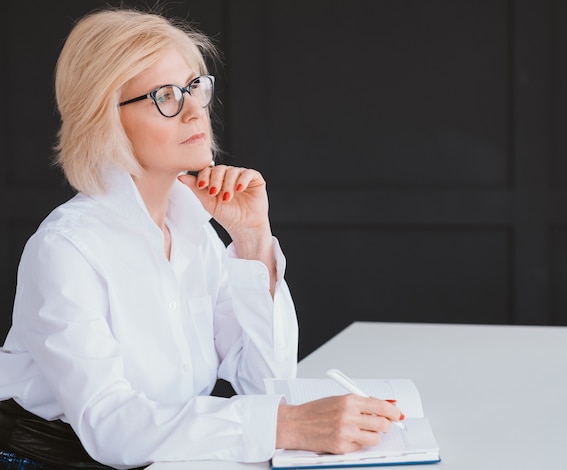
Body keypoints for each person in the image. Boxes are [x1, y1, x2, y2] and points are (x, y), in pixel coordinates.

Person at [0, 6, 403, 470]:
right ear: (104, 118)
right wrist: (287, 426)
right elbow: (111, 426)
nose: (194, 110)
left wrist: (252, 240)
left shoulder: (193, 228)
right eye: (165, 96)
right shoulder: (65, 250)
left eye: (194, 86)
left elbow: (267, 381)